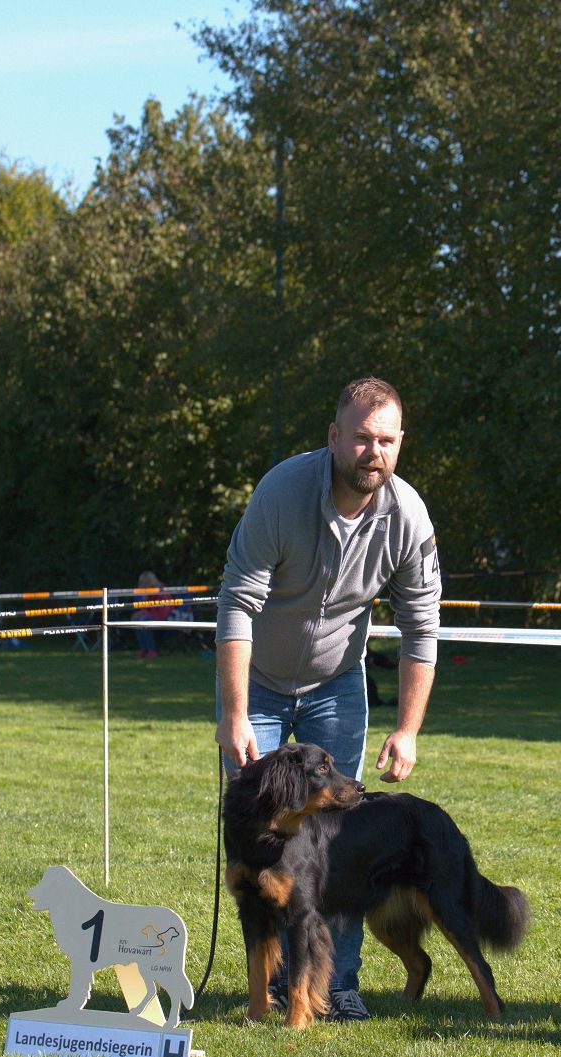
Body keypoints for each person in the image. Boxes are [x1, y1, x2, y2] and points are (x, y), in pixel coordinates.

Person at [215, 376, 442, 1022]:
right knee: (257, 836)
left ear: (399, 445)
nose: (374, 451)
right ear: (334, 437)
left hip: (337, 684)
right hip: (258, 679)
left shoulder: (407, 517)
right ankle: (268, 987)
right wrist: (235, 714)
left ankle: (334, 983)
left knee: (335, 842)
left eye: (387, 441)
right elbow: (237, 603)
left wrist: (407, 729)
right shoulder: (282, 493)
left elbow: (422, 627)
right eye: (363, 437)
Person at [133, 571, 172, 658]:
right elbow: (145, 609)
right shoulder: (147, 592)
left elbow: (163, 612)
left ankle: (152, 650)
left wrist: (143, 613)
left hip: (164, 618)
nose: (143, 585)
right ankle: (144, 649)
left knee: (143, 620)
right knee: (135, 620)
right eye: (142, 583)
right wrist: (145, 600)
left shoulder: (161, 590)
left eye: (146, 582)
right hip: (152, 616)